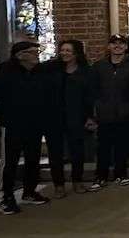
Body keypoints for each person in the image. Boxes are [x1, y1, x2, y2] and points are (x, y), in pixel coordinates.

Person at [0, 42, 51, 214]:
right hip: (13, 125)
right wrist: (3, 116)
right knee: (10, 161)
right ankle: (7, 197)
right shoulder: (4, 72)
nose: (37, 54)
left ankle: (29, 192)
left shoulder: (39, 71)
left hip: (35, 124)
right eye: (33, 52)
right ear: (20, 55)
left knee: (33, 159)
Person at [92, 35, 129, 190]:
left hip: (125, 112)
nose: (117, 46)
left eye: (121, 43)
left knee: (123, 144)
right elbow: (94, 89)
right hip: (105, 112)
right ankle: (100, 176)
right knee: (103, 146)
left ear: (126, 47)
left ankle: (120, 174)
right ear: (109, 46)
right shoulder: (99, 66)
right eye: (114, 43)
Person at [43, 40, 96, 194]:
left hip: (77, 116)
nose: (64, 53)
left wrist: (90, 116)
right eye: (63, 50)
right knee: (55, 153)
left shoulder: (86, 71)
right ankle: (59, 185)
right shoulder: (51, 69)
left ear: (76, 53)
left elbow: (89, 96)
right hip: (54, 117)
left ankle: (77, 182)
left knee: (77, 151)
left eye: (68, 51)